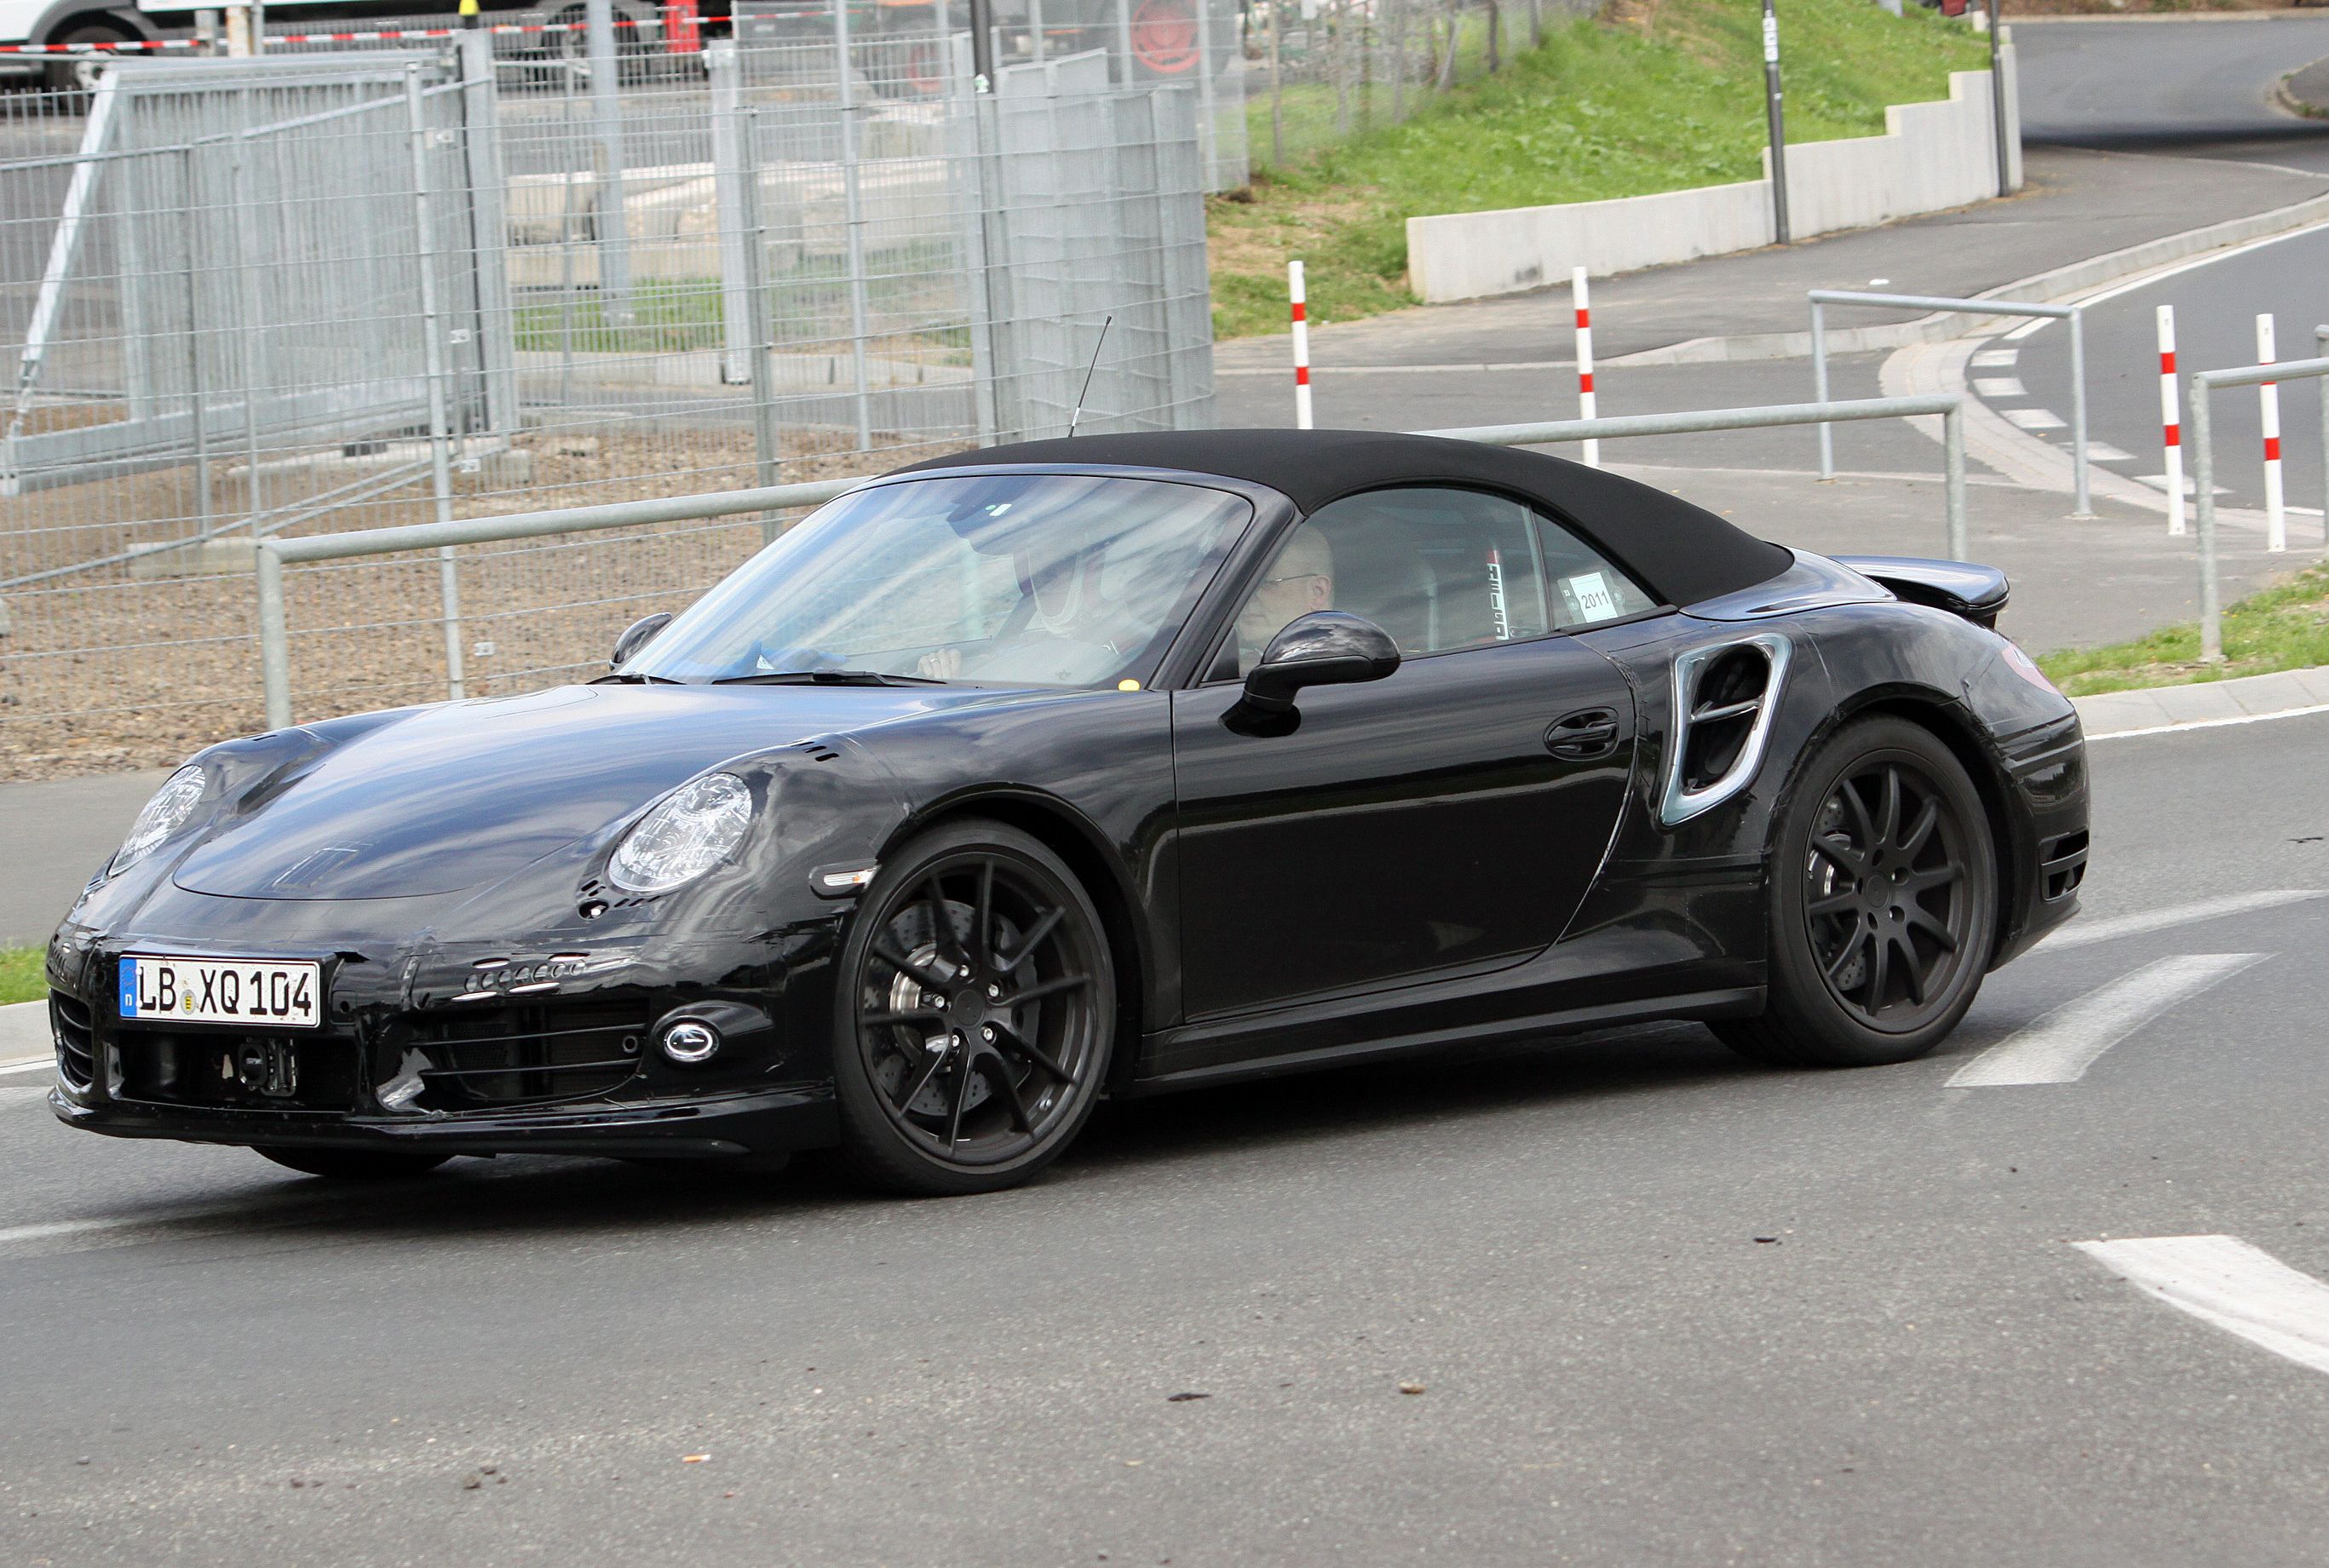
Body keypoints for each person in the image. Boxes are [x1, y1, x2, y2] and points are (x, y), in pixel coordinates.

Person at [1233, 525, 1335, 671]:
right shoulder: (1231, 662)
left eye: (1266, 584)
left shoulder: (1335, 667)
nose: (1246, 595)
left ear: (1317, 591)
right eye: (1242, 585)